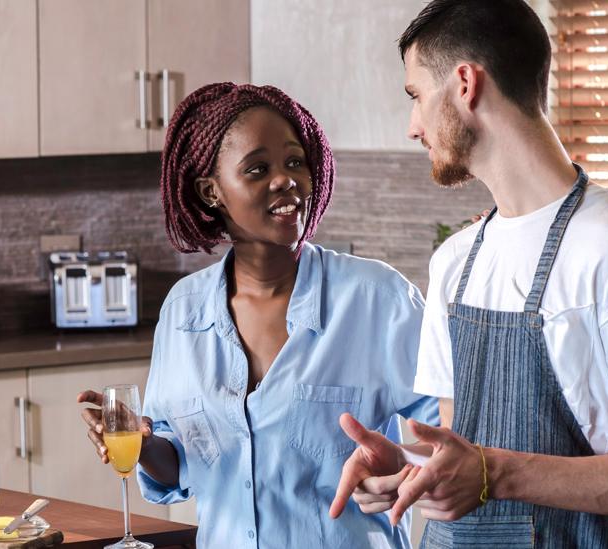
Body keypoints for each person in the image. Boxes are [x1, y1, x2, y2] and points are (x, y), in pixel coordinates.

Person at [331, 1, 608, 547]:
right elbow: (459, 448)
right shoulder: (456, 260)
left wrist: (495, 474)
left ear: (465, 84)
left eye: (415, 96)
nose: (412, 127)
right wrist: (407, 468)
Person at [78, 83, 438, 548]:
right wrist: (143, 445)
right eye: (257, 169)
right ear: (211, 192)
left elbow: (456, 436)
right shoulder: (183, 312)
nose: (285, 179)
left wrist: (406, 463)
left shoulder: (378, 300)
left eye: (294, 162)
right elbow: (182, 465)